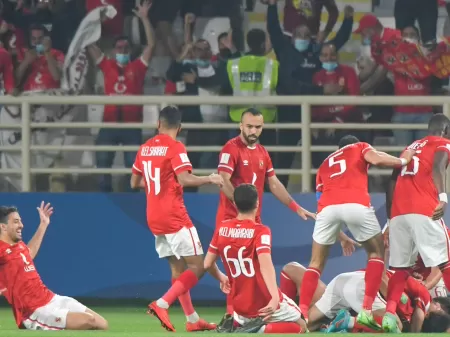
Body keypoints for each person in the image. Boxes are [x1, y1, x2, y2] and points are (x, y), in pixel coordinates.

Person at [216, 108, 322, 327]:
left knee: (250, 271)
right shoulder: (231, 148)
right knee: (242, 270)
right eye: (249, 126)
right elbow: (223, 179)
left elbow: (273, 183)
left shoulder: (263, 152)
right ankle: (233, 316)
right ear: (241, 126)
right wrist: (240, 206)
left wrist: (296, 207)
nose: (254, 131)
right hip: (231, 220)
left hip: (253, 221)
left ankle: (241, 318)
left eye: (258, 127)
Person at [299, 134, 415, 327]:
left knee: (315, 263)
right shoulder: (359, 147)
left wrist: (342, 236)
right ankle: (367, 310)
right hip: (356, 203)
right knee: (376, 252)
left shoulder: (324, 165)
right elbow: (377, 158)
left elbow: (321, 207)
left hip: (327, 209)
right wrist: (403, 160)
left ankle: (302, 313)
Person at [130, 106, 225, 332]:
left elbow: (134, 183)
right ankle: (162, 304)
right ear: (179, 127)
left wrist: (157, 186)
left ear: (158, 125)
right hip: (174, 216)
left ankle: (192, 321)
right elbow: (184, 179)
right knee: (200, 265)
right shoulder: (175, 147)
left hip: (153, 217)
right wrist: (210, 179)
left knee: (178, 270)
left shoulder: (144, 149)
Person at [205, 184, 308, 334]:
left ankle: (238, 323)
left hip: (240, 308)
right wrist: (274, 298)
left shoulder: (222, 228)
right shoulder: (260, 231)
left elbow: (207, 263)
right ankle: (259, 329)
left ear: (234, 203)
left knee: (248, 316)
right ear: (257, 203)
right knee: (301, 326)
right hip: (263, 303)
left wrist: (222, 278)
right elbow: (266, 266)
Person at [383, 113, 450, 332]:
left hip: (399, 213)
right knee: (446, 261)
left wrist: (390, 217)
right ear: (446, 131)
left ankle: (389, 314)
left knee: (400, 269)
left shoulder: (410, 146)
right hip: (424, 209)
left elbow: (392, 178)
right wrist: (443, 197)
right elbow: (439, 167)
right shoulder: (443, 143)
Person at [0, 203, 108, 330]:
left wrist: (43, 224)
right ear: (3, 226)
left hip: (51, 298)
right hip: (35, 311)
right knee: (89, 321)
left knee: (102, 324)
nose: (21, 225)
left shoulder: (18, 245)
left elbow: (29, 254)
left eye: (20, 221)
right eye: (16, 222)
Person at [87, 0, 155, 192]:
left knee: (132, 170)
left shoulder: (138, 67)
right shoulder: (107, 65)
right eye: (119, 48)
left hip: (132, 126)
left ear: (130, 50)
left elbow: (151, 44)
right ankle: (104, 200)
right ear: (114, 50)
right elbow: (90, 43)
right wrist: (95, 21)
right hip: (108, 124)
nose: (123, 51)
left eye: (126, 48)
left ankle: (130, 203)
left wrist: (144, 19)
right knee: (102, 165)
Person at [282, 262, 444, 333]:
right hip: (363, 287)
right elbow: (419, 315)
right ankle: (348, 323)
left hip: (344, 282)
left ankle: (276, 317)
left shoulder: (412, 298)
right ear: (438, 305)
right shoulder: (423, 296)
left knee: (305, 325)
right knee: (394, 327)